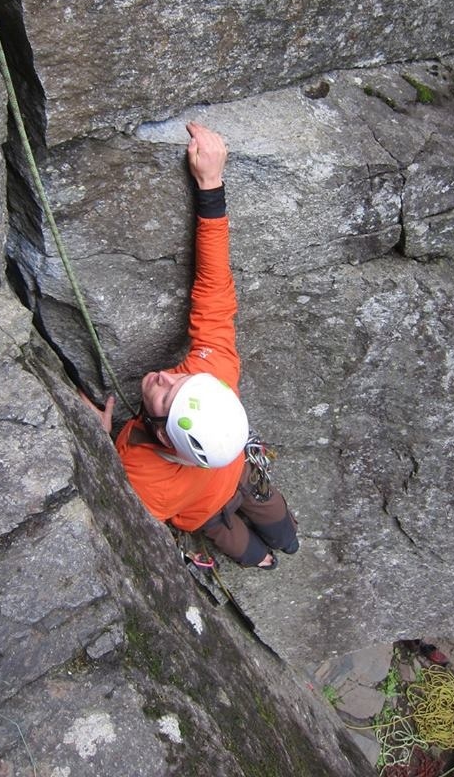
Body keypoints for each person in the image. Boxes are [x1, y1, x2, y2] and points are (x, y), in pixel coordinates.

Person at [80, 121, 298, 569]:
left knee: (232, 531)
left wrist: (98, 446)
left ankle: (270, 554)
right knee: (266, 512)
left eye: (168, 389)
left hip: (210, 508)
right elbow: (214, 286)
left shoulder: (144, 477)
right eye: (177, 382)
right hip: (237, 473)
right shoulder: (211, 373)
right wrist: (210, 184)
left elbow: (122, 518)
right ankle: (278, 549)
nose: (164, 374)